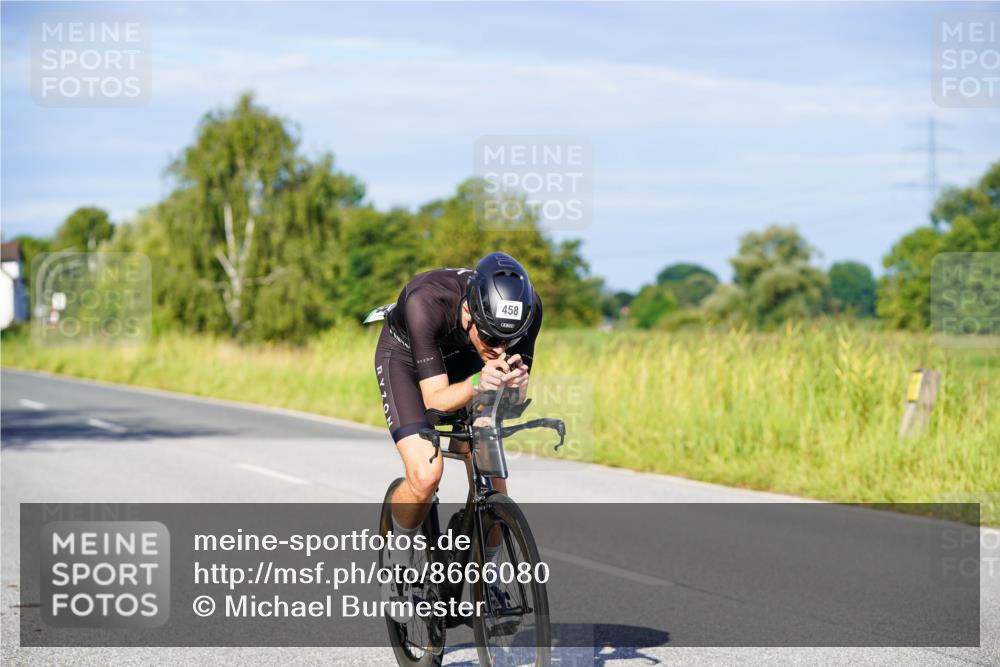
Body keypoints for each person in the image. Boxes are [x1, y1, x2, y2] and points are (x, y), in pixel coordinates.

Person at [373, 252, 542, 573]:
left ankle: (488, 577)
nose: (500, 350)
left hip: (468, 359)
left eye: (510, 340)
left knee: (492, 478)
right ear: (468, 311)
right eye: (492, 337)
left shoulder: (528, 312)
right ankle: (399, 554)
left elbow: (513, 405)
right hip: (406, 359)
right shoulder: (426, 301)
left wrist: (515, 386)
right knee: (425, 476)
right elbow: (435, 401)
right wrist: (479, 381)